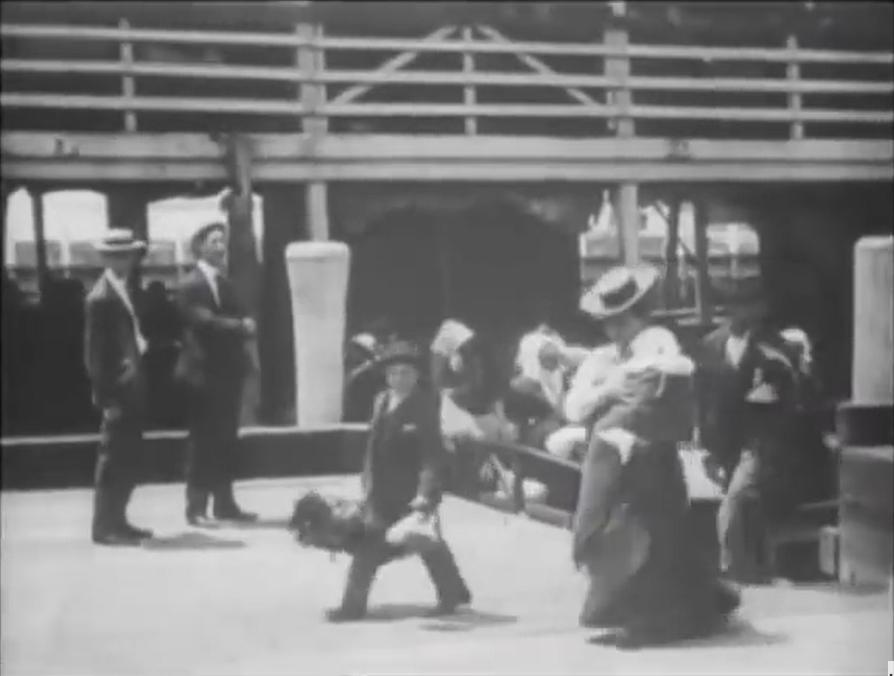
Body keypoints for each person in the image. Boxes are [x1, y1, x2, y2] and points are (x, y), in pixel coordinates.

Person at [571, 265, 739, 648]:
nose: (615, 330)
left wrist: (615, 389)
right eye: (608, 322)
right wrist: (608, 390)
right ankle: (642, 615)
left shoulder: (657, 341)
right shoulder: (601, 357)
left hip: (651, 459)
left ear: (637, 315)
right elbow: (576, 405)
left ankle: (656, 622)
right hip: (616, 460)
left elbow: (661, 384)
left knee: (653, 536)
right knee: (618, 534)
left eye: (621, 321)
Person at [327, 340, 472, 622]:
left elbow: (432, 456)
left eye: (405, 373)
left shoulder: (424, 407)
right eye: (393, 373)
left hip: (411, 493)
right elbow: (373, 445)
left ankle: (352, 608)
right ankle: (454, 591)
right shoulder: (381, 401)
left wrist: (424, 495)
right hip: (380, 492)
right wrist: (366, 482)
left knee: (420, 545)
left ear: (416, 375)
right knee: (407, 547)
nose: (399, 379)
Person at [696, 278, 814, 583]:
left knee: (736, 500)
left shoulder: (777, 346)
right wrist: (704, 445)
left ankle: (731, 569)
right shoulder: (711, 345)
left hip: (761, 439)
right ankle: (759, 569)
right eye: (733, 304)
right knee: (747, 502)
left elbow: (793, 396)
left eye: (747, 304)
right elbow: (701, 396)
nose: (738, 311)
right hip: (723, 440)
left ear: (760, 308)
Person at [175, 222, 257, 527]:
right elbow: (203, 321)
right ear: (200, 247)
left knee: (225, 439)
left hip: (227, 375)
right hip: (201, 376)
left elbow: (240, 311)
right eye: (214, 242)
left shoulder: (226, 284)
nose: (220, 248)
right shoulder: (189, 285)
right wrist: (241, 326)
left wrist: (244, 321)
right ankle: (195, 507)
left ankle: (225, 503)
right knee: (201, 441)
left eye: (222, 242)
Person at [83, 229, 154, 545]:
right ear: (105, 258)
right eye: (115, 255)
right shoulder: (100, 298)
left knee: (128, 456)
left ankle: (119, 520)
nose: (122, 260)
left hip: (131, 386)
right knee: (112, 459)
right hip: (117, 391)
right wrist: (105, 396)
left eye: (127, 254)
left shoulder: (122, 289)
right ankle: (103, 525)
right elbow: (94, 355)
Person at [505, 327, 587, 449]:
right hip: (536, 424)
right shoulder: (530, 353)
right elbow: (530, 384)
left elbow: (587, 357)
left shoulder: (561, 359)